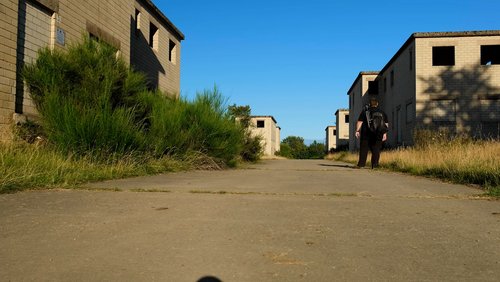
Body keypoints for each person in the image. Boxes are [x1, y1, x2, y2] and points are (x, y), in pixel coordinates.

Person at [355, 97, 389, 168]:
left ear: (369, 104)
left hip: (366, 134)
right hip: (378, 134)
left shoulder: (365, 112)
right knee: (376, 149)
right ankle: (375, 165)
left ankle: (361, 164)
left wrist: (357, 130)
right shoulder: (382, 113)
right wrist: (384, 134)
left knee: (364, 149)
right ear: (377, 104)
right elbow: (385, 124)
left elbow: (360, 122)